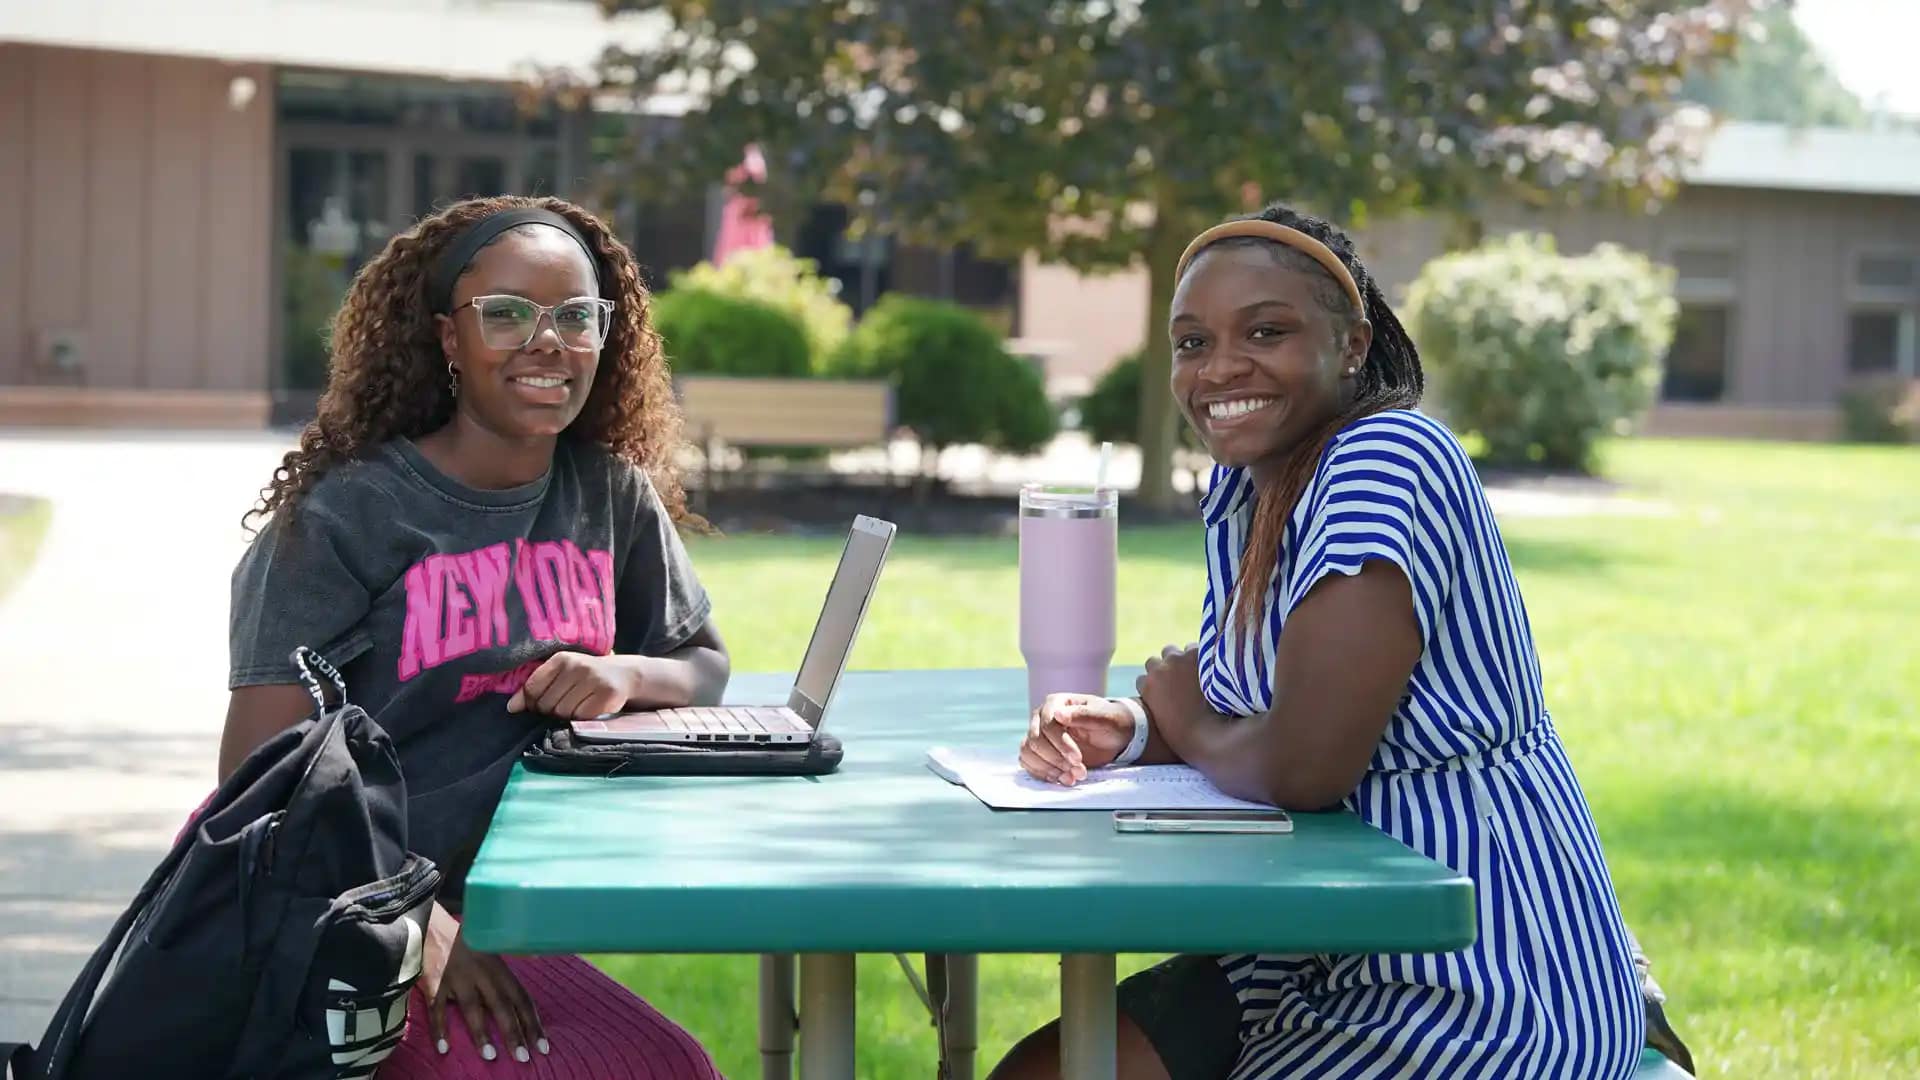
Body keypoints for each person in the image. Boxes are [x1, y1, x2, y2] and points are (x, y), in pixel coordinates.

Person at [994, 204, 1690, 1079]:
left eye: (1266, 331)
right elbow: (1265, 704)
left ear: (1352, 345)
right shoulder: (1254, 486)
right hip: (1312, 941)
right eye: (1191, 343)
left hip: (1476, 971)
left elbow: (1304, 765)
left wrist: (1190, 720)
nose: (1219, 368)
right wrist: (1134, 731)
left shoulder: (1385, 460)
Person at [219, 195, 725, 1077]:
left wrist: (623, 673)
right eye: (507, 314)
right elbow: (257, 782)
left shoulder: (604, 493)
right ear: (449, 340)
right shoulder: (347, 518)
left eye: (576, 316)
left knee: (670, 1065)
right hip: (346, 919)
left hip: (503, 915)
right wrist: (416, 921)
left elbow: (703, 665)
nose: (548, 342)